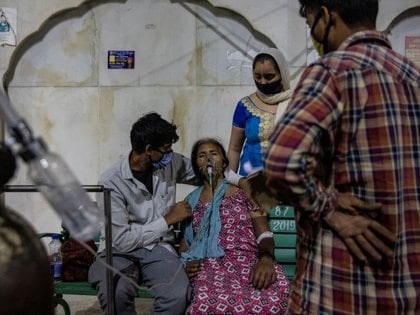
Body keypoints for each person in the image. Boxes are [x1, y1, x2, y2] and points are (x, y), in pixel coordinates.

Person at [263, 0, 420, 314]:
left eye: (310, 25)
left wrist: (328, 207)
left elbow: (281, 164)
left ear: (324, 16)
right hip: (408, 289)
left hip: (340, 288)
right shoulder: (413, 75)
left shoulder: (330, 72)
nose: (313, 34)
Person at [88, 112, 199, 315]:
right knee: (115, 294)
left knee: (178, 294)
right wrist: (167, 220)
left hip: (159, 249)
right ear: (149, 150)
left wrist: (238, 180)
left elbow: (204, 173)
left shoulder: (171, 163)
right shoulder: (111, 182)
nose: (170, 154)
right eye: (165, 150)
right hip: (117, 252)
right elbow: (122, 240)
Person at [179, 138, 290, 315]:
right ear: (196, 164)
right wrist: (186, 264)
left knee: (275, 299)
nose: (208, 158)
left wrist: (266, 259)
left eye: (214, 153)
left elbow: (265, 235)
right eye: (202, 155)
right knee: (210, 304)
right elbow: (185, 244)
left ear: (224, 162)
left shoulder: (245, 193)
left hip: (250, 260)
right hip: (210, 265)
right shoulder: (190, 202)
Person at [227, 48, 292, 176]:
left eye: (269, 77)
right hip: (249, 184)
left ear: (282, 74)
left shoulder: (295, 104)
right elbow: (234, 149)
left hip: (286, 185)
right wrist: (229, 183)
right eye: (257, 77)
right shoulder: (245, 106)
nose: (263, 82)